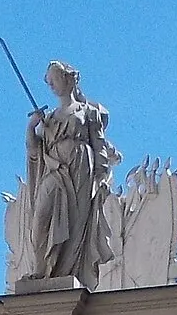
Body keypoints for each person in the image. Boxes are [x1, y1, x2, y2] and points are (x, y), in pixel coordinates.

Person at [24, 60, 118, 286]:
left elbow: (99, 147)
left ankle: (68, 274)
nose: (51, 86)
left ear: (68, 79)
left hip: (80, 169)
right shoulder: (49, 118)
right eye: (49, 83)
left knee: (77, 225)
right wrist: (32, 127)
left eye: (54, 80)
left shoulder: (89, 112)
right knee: (40, 220)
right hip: (55, 169)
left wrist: (101, 177)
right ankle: (40, 269)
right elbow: (35, 151)